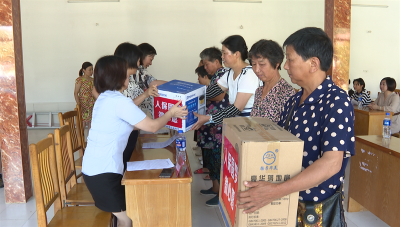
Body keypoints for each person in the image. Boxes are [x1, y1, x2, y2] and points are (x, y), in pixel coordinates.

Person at [237, 27, 355, 226]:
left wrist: (275, 191)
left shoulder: (336, 101)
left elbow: (331, 163)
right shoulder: (293, 101)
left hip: (316, 210)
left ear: (313, 64)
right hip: (288, 202)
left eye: (290, 59)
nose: (285, 65)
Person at [82, 55, 187, 227]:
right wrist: (171, 113)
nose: (128, 78)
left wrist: (152, 115)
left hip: (94, 169)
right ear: (117, 76)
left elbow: (129, 123)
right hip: (102, 173)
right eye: (126, 74)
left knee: (126, 210)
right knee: (127, 217)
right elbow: (152, 127)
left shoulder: (105, 98)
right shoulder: (118, 102)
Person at [192, 35, 260, 206]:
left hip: (249, 126)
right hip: (235, 125)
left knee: (242, 168)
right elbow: (211, 92)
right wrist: (190, 98)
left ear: (237, 54)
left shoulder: (249, 73)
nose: (222, 57)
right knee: (231, 164)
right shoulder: (230, 73)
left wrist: (208, 118)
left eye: (224, 53)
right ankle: (226, 197)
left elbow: (236, 108)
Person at [113, 43, 160, 172]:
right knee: (122, 163)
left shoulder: (131, 76)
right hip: (123, 128)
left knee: (129, 160)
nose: (140, 62)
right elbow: (124, 107)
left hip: (132, 126)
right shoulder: (115, 78)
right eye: (138, 59)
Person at [196, 48, 230, 206]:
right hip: (210, 124)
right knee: (210, 159)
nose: (205, 68)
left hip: (218, 125)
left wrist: (200, 94)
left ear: (217, 62)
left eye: (207, 64)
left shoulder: (223, 73)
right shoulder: (217, 74)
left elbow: (219, 95)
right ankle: (215, 188)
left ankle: (221, 194)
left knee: (218, 160)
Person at [249, 39, 295, 122]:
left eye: (262, 64)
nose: (256, 70)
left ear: (277, 63)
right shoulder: (259, 91)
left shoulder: (287, 92)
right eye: (254, 64)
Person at [74, 62, 95, 131]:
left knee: (91, 124)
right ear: (84, 70)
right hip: (83, 105)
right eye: (89, 70)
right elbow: (76, 93)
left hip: (92, 104)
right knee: (82, 124)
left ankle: (90, 141)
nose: (91, 71)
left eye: (92, 69)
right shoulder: (80, 80)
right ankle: (81, 141)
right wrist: (78, 104)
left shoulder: (93, 80)